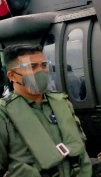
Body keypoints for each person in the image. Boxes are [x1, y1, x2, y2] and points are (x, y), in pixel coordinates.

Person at [0, 44, 92, 176]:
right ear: (12, 76)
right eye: (32, 67)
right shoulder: (4, 112)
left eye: (43, 65)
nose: (41, 71)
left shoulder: (61, 102)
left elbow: (80, 144)